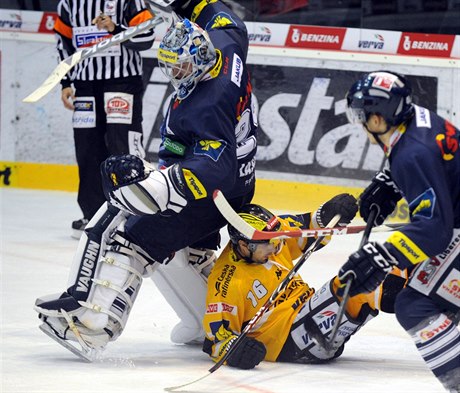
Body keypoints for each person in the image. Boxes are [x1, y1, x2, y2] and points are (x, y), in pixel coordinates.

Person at [34, 0, 258, 359]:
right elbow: (226, 19)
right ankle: (206, 315)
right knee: (188, 251)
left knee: (131, 237)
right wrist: (189, 4)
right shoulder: (226, 45)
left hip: (217, 192)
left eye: (181, 65)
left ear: (199, 60)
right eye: (170, 65)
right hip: (238, 184)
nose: (175, 73)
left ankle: (93, 327)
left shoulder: (206, 102)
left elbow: (216, 167)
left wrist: (158, 186)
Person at [338, 70, 460, 392]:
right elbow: (439, 169)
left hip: (452, 227)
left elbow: (435, 230)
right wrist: (392, 182)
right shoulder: (416, 120)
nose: (363, 124)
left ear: (380, 119)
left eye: (366, 117)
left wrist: (383, 255)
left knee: (413, 304)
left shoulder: (411, 154)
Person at [202, 197, 409, 368]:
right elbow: (217, 340)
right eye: (271, 244)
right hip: (293, 340)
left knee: (389, 262)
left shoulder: (267, 233)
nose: (277, 247)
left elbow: (309, 225)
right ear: (244, 246)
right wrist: (236, 351)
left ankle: (434, 290)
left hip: (309, 310)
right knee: (364, 283)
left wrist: (329, 212)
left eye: (277, 240)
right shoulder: (227, 282)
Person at [54, 0, 155, 238]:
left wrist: (116, 28)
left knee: (125, 150)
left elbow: (147, 37)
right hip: (85, 85)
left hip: (122, 82)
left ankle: (132, 215)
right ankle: (94, 215)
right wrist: (66, 82)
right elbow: (63, 41)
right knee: (87, 150)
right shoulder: (68, 2)